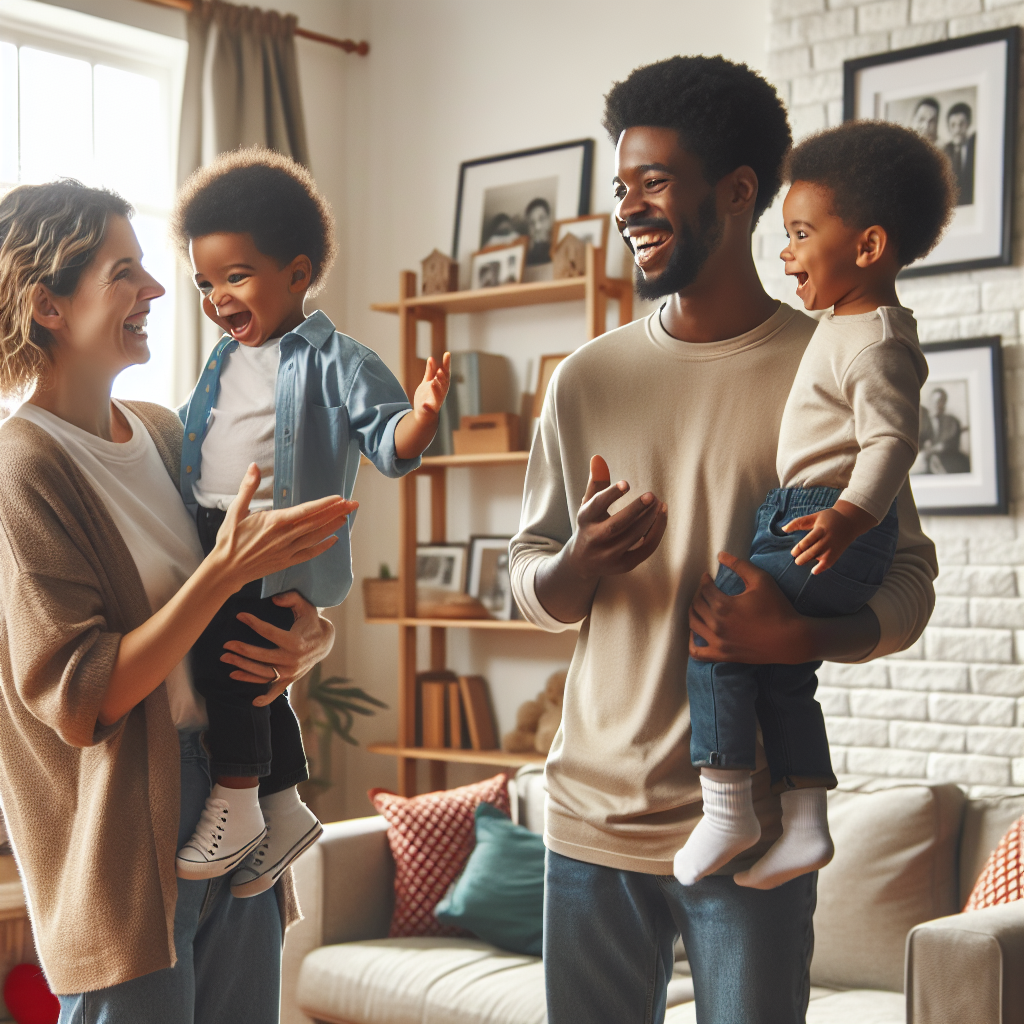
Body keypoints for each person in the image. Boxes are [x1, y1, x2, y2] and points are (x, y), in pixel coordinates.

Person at [509, 56, 938, 1024]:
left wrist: (802, 638)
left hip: (752, 834)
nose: (628, 205)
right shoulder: (584, 379)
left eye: (654, 180)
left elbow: (907, 578)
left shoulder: (833, 358)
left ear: (739, 192)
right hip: (588, 822)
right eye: (621, 184)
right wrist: (579, 563)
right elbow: (526, 582)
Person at [0, 180, 346, 1022]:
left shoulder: (163, 431)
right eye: (125, 273)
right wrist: (221, 574)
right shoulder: (23, 470)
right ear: (49, 304)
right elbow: (85, 696)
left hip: (237, 778)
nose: (158, 290)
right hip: (125, 831)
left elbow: (237, 599)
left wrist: (309, 638)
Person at [674, 120, 955, 892]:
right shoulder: (846, 325)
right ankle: (805, 823)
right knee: (783, 673)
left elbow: (893, 443)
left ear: (865, 248)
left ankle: (728, 803)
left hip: (825, 518)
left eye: (799, 234)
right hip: (805, 511)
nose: (784, 252)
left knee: (718, 630)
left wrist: (849, 517)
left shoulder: (875, 342)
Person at [172, 148, 450, 894]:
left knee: (232, 666)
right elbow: (198, 431)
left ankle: (237, 799)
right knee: (258, 668)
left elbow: (386, 442)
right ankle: (286, 803)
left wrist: (419, 419)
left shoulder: (338, 360)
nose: (217, 298)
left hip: (274, 540)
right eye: (205, 281)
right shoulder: (222, 361)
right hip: (213, 528)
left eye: (236, 277)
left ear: (297, 274)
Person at [919, 386, 970, 473]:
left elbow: (946, 445)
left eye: (939, 401)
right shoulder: (922, 419)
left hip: (948, 459)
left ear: (944, 403)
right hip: (926, 461)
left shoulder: (951, 421)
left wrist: (931, 449)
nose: (936, 404)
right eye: (933, 401)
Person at [943, 102, 975, 205]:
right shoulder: (945, 151)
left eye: (961, 124)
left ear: (968, 123)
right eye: (953, 125)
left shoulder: (975, 146)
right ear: (948, 128)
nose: (957, 130)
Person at [525, 197, 553, 265]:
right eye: (532, 223)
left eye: (542, 219)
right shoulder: (527, 258)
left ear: (549, 219)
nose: (537, 227)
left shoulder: (559, 247)